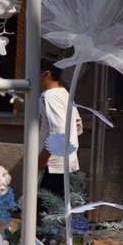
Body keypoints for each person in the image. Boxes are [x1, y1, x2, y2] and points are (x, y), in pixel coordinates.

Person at [37, 59, 82, 210]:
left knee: (45, 213)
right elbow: (77, 125)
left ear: (46, 74)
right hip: (69, 162)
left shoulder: (48, 96)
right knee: (65, 211)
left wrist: (43, 158)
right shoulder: (65, 93)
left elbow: (59, 131)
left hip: (53, 165)